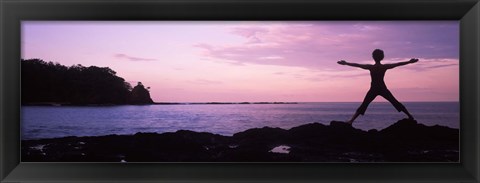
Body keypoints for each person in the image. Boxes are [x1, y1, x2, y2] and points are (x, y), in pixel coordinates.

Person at [337, 49, 418, 125]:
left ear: (373, 57)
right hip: (382, 88)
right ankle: (410, 116)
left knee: (364, 104)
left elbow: (358, 65)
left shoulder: (371, 67)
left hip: (374, 89)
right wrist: (409, 62)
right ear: (382, 57)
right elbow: (397, 64)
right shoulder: (384, 67)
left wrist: (346, 63)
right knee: (395, 102)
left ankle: (351, 121)